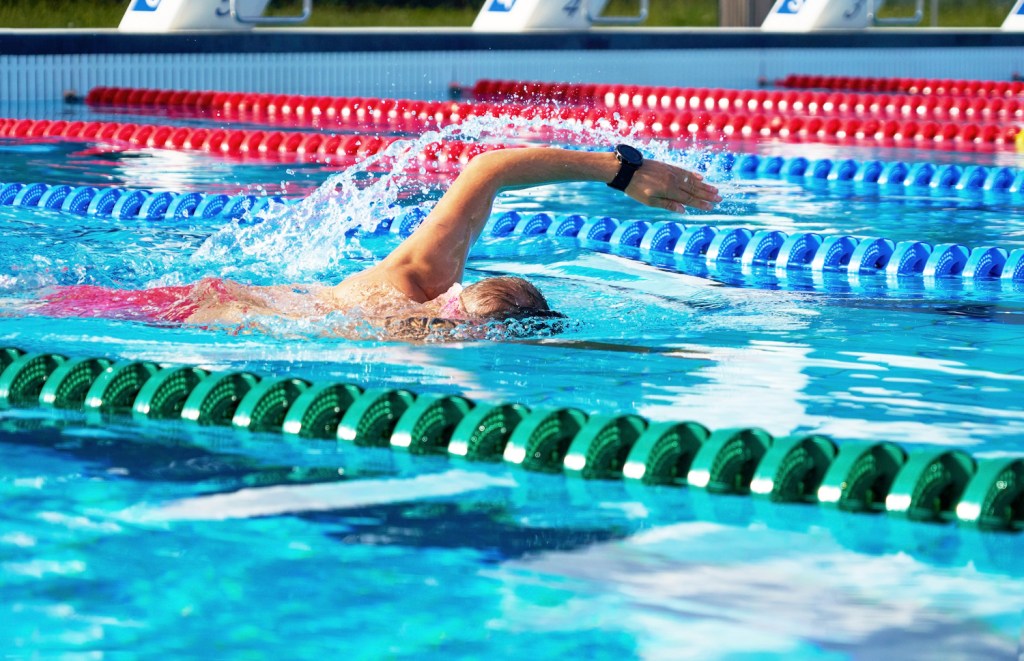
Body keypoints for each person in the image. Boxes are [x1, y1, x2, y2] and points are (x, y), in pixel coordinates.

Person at [37, 145, 721, 337]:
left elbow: (490, 167)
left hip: (194, 300)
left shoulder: (417, 284)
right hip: (190, 311)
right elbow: (487, 167)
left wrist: (621, 171)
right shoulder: (406, 311)